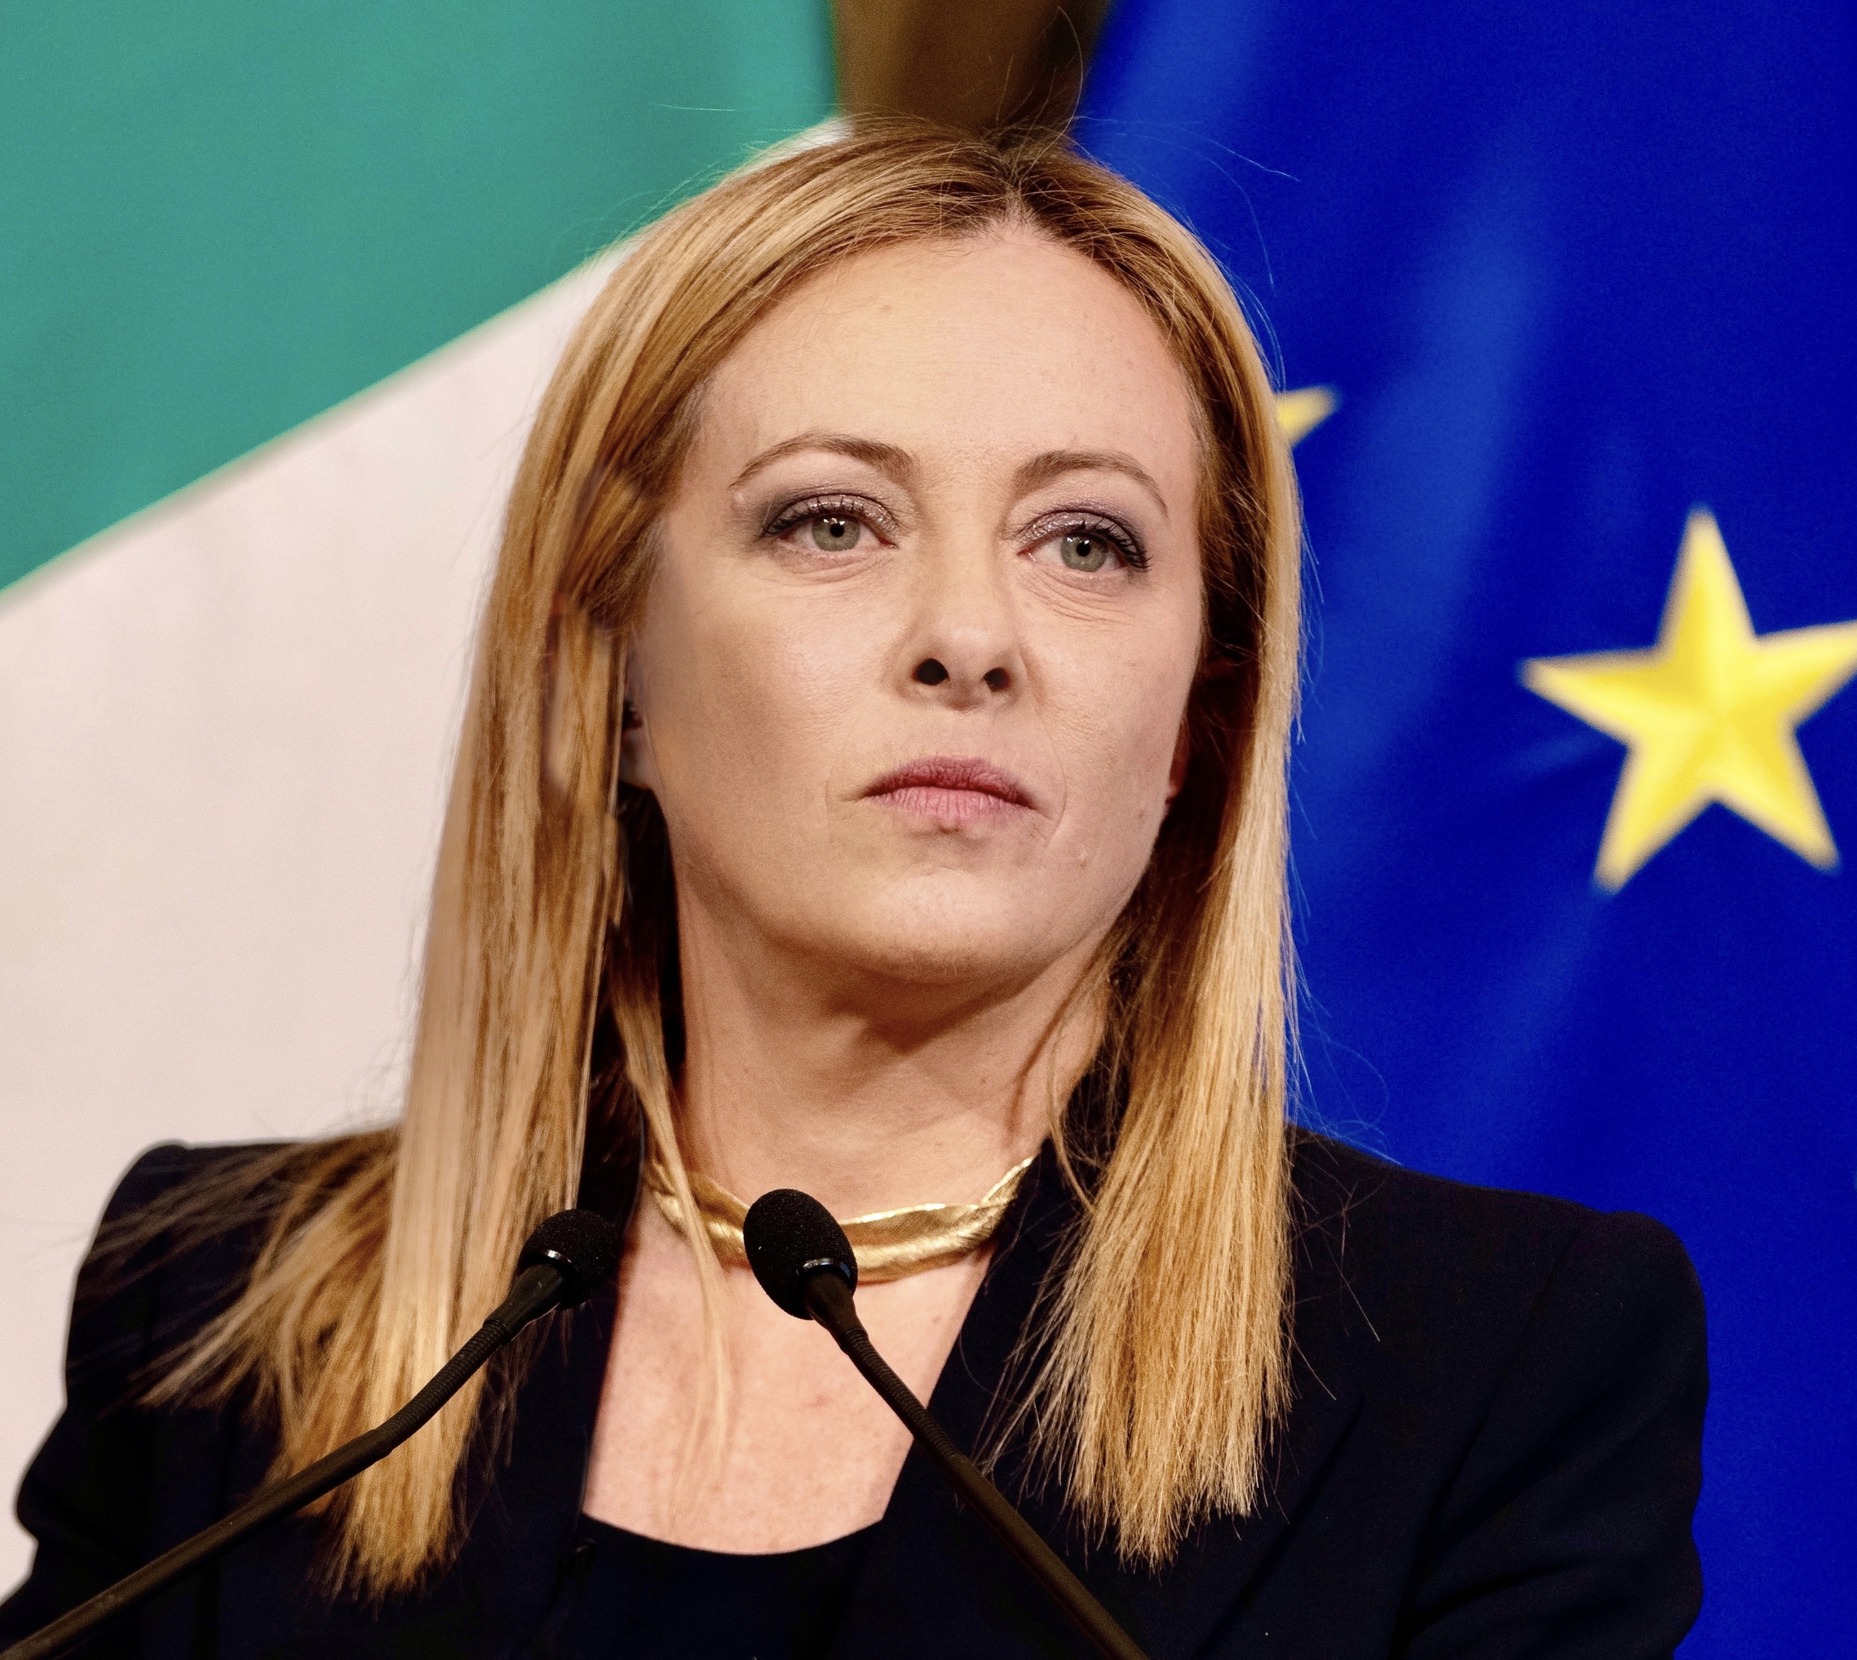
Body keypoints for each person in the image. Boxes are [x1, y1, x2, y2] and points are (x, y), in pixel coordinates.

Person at [0, 125, 1706, 1658]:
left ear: (1199, 718)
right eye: (832, 523)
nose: (969, 636)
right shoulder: (215, 1318)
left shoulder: (1485, 1370)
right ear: (611, 674)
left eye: (1087, 542)